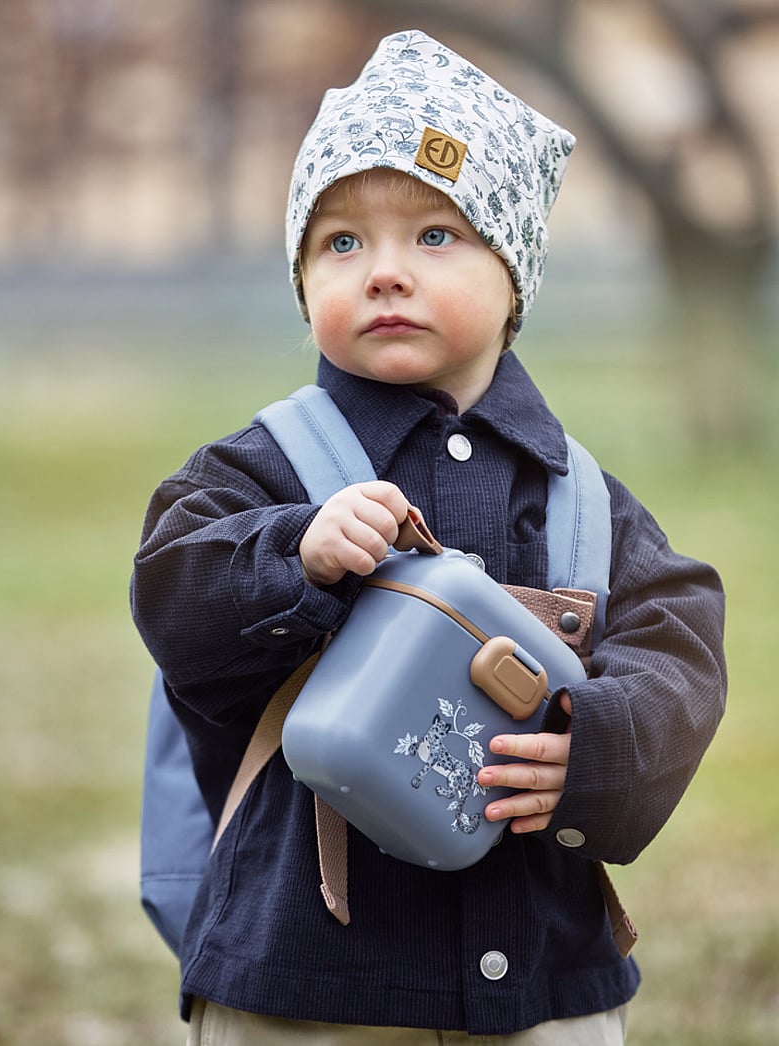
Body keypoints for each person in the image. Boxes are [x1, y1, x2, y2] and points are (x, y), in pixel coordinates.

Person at [130, 29, 726, 1045]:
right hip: (302, 984)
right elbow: (174, 596)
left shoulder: (578, 495)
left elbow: (678, 651)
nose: (384, 273)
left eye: (435, 235)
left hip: (540, 985)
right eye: (341, 242)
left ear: (513, 275)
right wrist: (293, 551)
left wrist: (593, 747)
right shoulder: (260, 467)